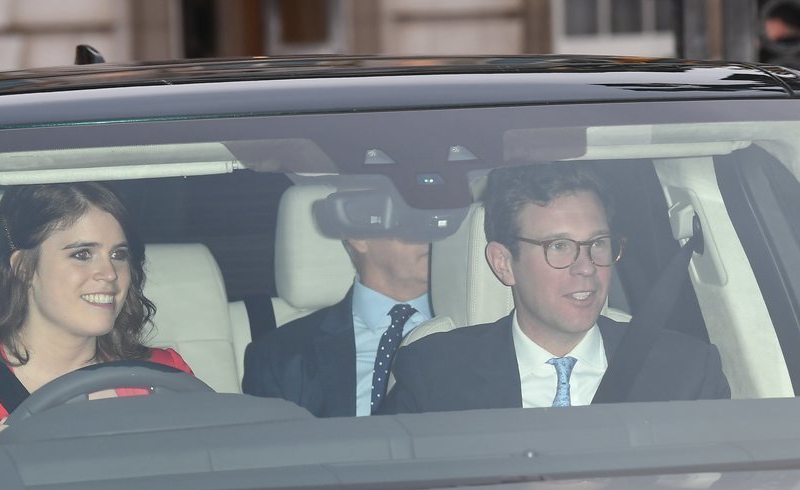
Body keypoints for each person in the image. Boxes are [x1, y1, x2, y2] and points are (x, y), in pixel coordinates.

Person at [380, 162, 730, 414]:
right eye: (559, 247)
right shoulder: (435, 375)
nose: (586, 267)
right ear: (503, 263)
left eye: (598, 243)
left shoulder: (686, 371)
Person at [0, 182, 192, 447]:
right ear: (24, 268)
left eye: (118, 254)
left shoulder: (164, 375)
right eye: (82, 254)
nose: (110, 273)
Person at [242, 236, 431, 416]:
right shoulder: (277, 357)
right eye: (413, 218)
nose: (436, 231)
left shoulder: (460, 335)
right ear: (360, 235)